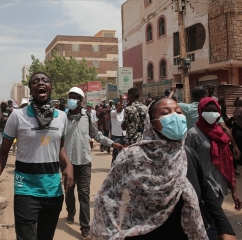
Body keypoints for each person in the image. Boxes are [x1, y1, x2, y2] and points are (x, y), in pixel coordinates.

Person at [91, 97, 236, 240]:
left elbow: (205, 190)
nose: (175, 116)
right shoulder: (132, 156)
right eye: (166, 113)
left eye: (179, 112)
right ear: (152, 123)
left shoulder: (187, 155)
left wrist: (225, 227)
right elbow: (109, 200)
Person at [0, 71, 74, 240]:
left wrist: (68, 165)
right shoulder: (18, 116)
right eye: (35, 81)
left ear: (50, 88)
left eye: (45, 80)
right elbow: (2, 153)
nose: (40, 83)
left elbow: (59, 148)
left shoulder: (61, 117)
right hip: (26, 190)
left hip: (53, 191)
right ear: (31, 90)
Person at [64, 87, 123, 240]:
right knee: (69, 190)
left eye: (75, 97)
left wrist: (112, 144)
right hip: (67, 163)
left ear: (80, 101)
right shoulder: (62, 118)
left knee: (83, 194)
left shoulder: (87, 117)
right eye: (70, 96)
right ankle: (70, 211)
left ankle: (85, 226)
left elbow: (96, 134)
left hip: (84, 162)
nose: (72, 99)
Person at [185, 97, 241, 239]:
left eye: (215, 110)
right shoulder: (193, 134)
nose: (212, 113)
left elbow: (227, 162)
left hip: (220, 187)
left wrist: (233, 190)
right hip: (203, 189)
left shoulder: (221, 133)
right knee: (209, 224)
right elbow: (187, 163)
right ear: (201, 111)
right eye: (208, 111)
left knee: (214, 223)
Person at [169, 85, 241, 157]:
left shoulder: (186, 108)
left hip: (191, 144)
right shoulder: (211, 110)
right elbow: (224, 128)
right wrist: (235, 146)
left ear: (192, 96)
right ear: (205, 95)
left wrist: (172, 92)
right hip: (210, 145)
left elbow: (166, 104)